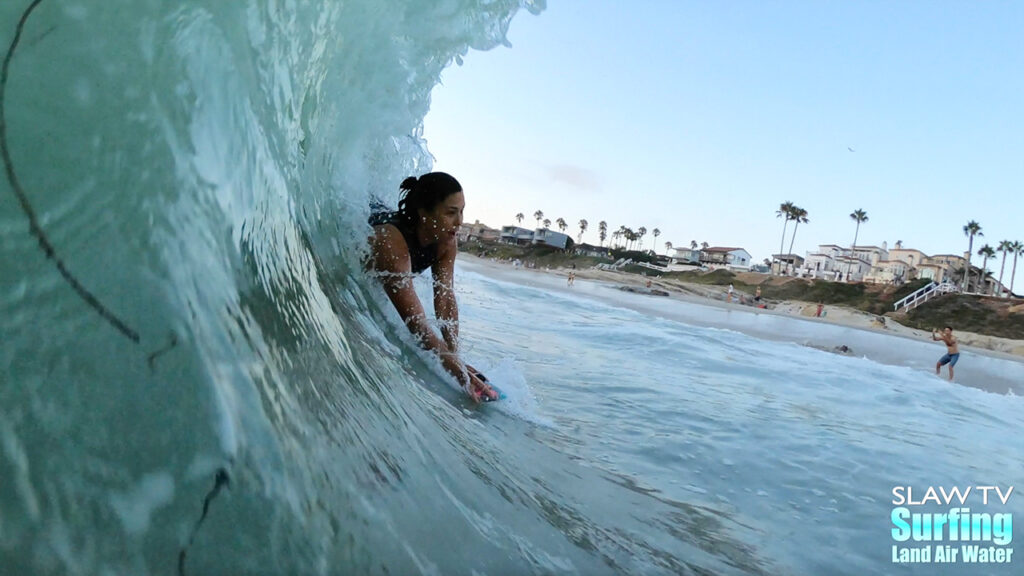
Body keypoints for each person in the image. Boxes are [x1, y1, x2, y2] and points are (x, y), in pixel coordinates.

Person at [367, 172, 497, 401]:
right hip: (365, 218)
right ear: (424, 213)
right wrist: (461, 375)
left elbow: (445, 300)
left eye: (461, 211)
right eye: (450, 213)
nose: (459, 222)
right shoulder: (391, 244)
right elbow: (418, 326)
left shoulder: (446, 242)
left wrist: (456, 357)